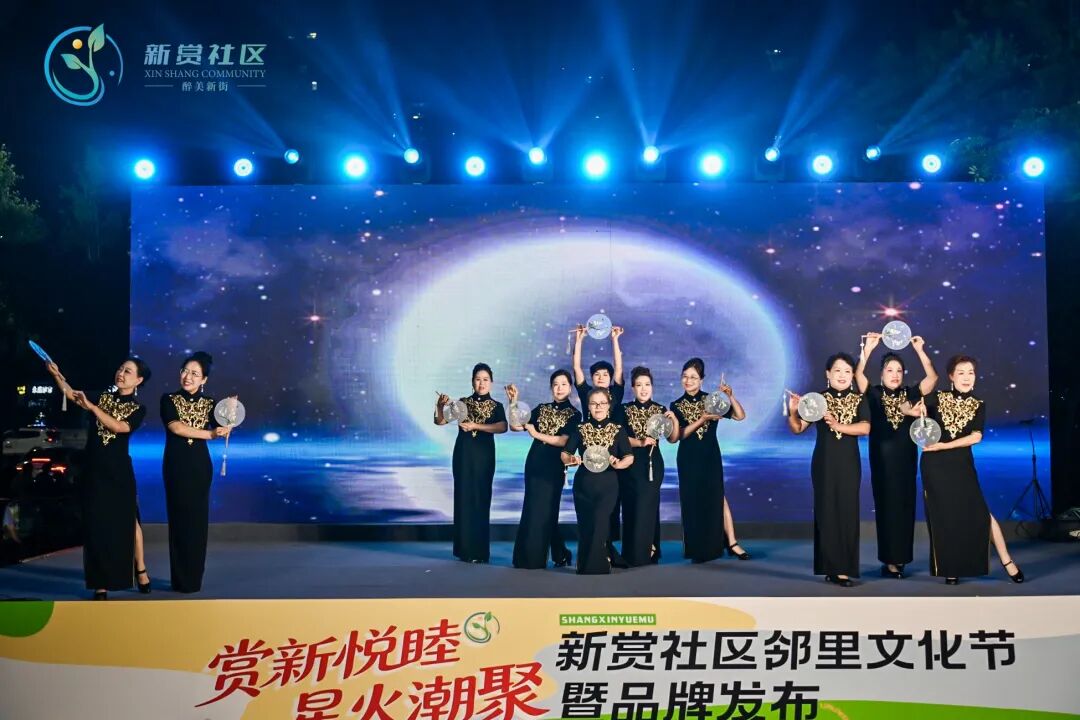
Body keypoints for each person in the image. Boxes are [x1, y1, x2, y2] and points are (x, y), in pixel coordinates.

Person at [910, 355, 1025, 585]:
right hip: (935, 467)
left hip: (962, 465)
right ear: (951, 377)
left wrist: (944, 445)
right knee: (944, 517)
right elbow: (906, 406)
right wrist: (914, 409)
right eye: (961, 372)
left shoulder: (978, 404)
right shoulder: (938, 397)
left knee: (982, 514)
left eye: (970, 372)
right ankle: (950, 568)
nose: (966, 377)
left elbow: (975, 437)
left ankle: (1007, 561)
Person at [47, 357, 151, 600]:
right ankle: (100, 583)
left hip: (119, 472)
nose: (121, 373)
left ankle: (141, 568)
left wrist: (92, 408)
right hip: (94, 470)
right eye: (120, 368)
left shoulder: (138, 409)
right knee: (96, 525)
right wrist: (56, 374)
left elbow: (119, 427)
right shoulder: (103, 396)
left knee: (129, 521)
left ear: (138, 380)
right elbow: (72, 394)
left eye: (128, 371)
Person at [855, 332, 938, 578]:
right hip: (882, 462)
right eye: (890, 370)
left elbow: (932, 378)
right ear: (881, 373)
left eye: (899, 370)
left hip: (906, 462)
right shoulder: (874, 393)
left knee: (904, 507)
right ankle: (889, 560)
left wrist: (920, 350)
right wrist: (868, 349)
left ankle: (900, 558)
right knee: (886, 508)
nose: (895, 374)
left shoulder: (911, 394)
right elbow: (858, 375)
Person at [787, 352, 870, 587]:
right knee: (826, 512)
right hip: (823, 463)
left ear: (852, 375)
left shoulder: (859, 399)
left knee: (847, 512)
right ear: (828, 374)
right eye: (837, 370)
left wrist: (837, 425)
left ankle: (845, 567)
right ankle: (831, 567)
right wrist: (794, 411)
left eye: (847, 371)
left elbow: (865, 428)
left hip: (849, 464)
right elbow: (798, 428)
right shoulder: (817, 400)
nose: (842, 375)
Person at [160, 351, 230, 593]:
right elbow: (177, 428)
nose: (188, 377)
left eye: (195, 374)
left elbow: (221, 427)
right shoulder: (168, 399)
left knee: (197, 523)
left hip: (200, 467)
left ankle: (193, 580)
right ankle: (179, 579)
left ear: (204, 380)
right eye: (185, 371)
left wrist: (228, 420)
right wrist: (209, 434)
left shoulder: (210, 403)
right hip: (175, 466)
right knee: (178, 520)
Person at [670, 358, 747, 563]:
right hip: (688, 458)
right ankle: (697, 548)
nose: (688, 381)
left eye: (693, 377)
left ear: (701, 380)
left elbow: (740, 416)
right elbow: (680, 435)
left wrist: (730, 396)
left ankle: (731, 543)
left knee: (717, 497)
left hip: (710, 455)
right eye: (685, 376)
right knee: (692, 501)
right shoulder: (676, 405)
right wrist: (702, 419)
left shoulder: (712, 400)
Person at [435, 363, 507, 563]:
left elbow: (502, 427)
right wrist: (440, 406)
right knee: (463, 499)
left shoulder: (496, 406)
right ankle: (464, 550)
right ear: (472, 382)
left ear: (491, 383)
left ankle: (480, 552)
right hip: (463, 457)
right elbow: (440, 421)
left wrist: (476, 425)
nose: (481, 383)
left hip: (484, 458)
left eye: (485, 379)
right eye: (478, 379)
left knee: (481, 500)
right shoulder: (462, 403)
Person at [507, 371, 580, 569]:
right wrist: (513, 402)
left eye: (564, 384)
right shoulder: (541, 408)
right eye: (555, 384)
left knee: (548, 509)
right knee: (532, 508)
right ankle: (551, 554)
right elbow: (516, 426)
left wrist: (537, 434)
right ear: (551, 387)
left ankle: (540, 557)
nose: (559, 388)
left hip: (554, 466)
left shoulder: (575, 414)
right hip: (534, 463)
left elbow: (564, 441)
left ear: (570, 388)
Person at [572, 323, 629, 566]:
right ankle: (598, 550)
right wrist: (580, 340)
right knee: (591, 508)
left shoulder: (616, 393)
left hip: (614, 453)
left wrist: (615, 339)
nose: (601, 377)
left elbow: (619, 368)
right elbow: (576, 368)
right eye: (597, 375)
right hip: (590, 454)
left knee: (610, 507)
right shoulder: (587, 395)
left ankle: (607, 548)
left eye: (605, 375)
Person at [561, 388, 634, 574]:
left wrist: (619, 464)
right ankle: (584, 564)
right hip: (583, 484)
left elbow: (629, 457)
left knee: (600, 522)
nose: (598, 407)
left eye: (602, 403)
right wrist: (571, 460)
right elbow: (565, 454)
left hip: (608, 484)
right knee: (586, 524)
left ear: (608, 406)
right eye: (594, 403)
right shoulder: (580, 428)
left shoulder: (618, 429)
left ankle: (597, 565)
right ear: (588, 406)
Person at [621, 366, 679, 566]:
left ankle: (648, 550)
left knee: (648, 505)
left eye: (647, 384)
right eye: (639, 385)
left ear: (652, 387)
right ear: (633, 388)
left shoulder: (660, 410)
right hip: (630, 464)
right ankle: (632, 552)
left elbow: (673, 438)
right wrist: (640, 442)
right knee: (631, 506)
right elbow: (618, 438)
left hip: (652, 465)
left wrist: (674, 420)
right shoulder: (624, 409)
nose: (643, 389)